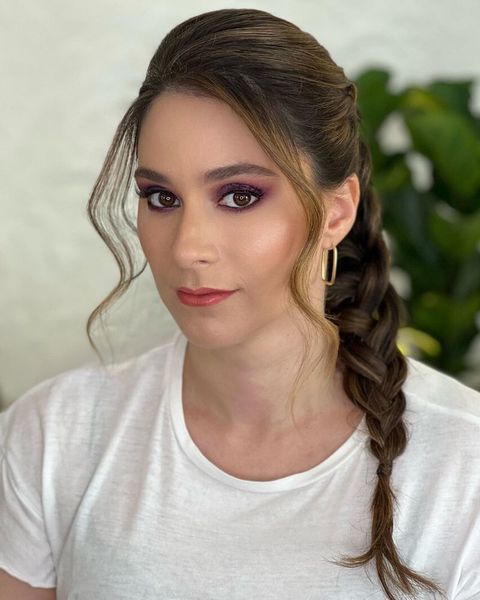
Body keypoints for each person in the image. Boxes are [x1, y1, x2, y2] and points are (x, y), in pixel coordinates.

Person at [1, 8, 479, 600]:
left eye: (240, 196)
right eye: (161, 197)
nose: (187, 247)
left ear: (336, 212)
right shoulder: (53, 438)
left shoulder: (464, 467)